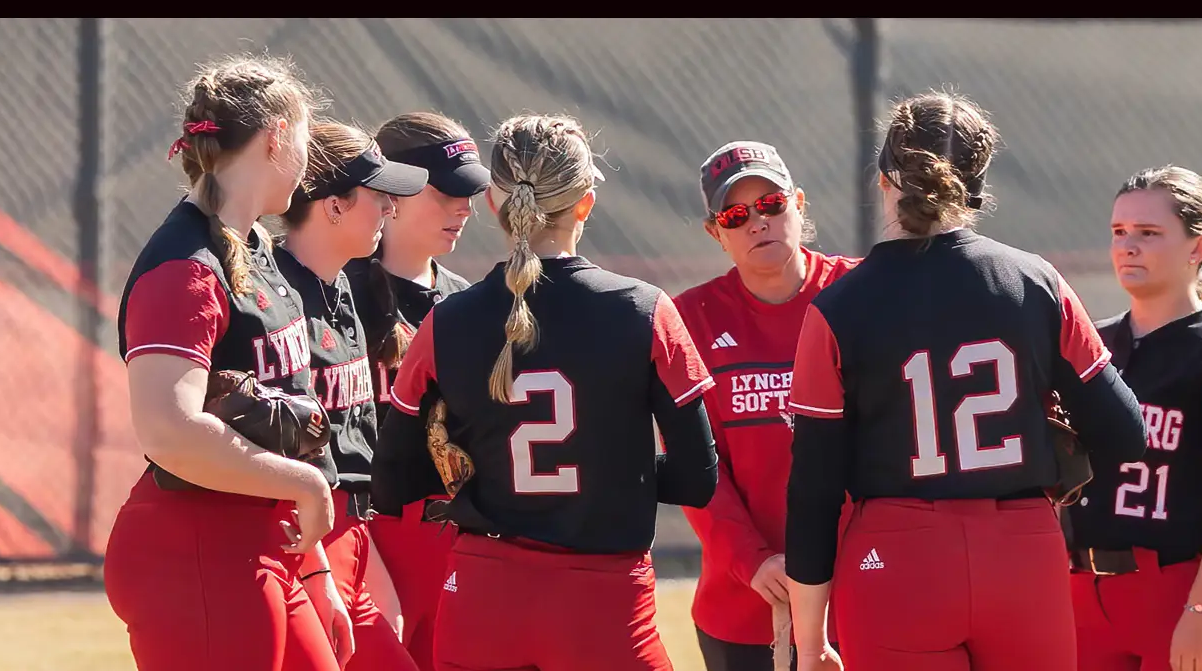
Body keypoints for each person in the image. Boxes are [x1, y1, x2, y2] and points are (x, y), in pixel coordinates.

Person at [784, 89, 1150, 671]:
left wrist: (808, 642)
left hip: (898, 560)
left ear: (884, 177)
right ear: (975, 189)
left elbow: (813, 491)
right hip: (1022, 553)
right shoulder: (1037, 283)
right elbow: (1127, 432)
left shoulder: (836, 309)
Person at [373, 113, 720, 671]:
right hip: (604, 604)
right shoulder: (645, 309)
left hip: (483, 600)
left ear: (493, 203)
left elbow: (391, 479)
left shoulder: (445, 321)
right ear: (585, 203)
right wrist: (607, 474)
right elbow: (700, 479)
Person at [105, 54, 355, 671]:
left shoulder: (254, 246)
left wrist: (315, 564)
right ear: (276, 139)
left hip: (261, 544)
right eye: (302, 138)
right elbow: (168, 431)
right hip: (197, 550)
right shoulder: (186, 265)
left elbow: (279, 421)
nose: (307, 157)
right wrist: (307, 485)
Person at [1068, 165, 1202, 671]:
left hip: (1185, 588)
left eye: (1149, 233)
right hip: (1084, 593)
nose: (1127, 246)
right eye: (1119, 232)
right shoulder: (1093, 343)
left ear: (1197, 248)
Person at [675, 140, 861, 671]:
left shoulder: (859, 292)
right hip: (749, 601)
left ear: (797, 204)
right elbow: (696, 467)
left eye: (772, 204)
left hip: (862, 586)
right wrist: (751, 561)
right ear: (716, 232)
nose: (758, 221)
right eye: (736, 214)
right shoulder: (692, 318)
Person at [274, 120, 431, 671]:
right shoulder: (274, 293)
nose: (390, 209)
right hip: (300, 537)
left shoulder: (343, 283)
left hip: (352, 534)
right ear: (333, 205)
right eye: (379, 196)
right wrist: (320, 570)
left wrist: (368, 562)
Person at [352, 110, 491, 670]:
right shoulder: (341, 292)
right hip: (367, 535)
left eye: (471, 194)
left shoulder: (471, 302)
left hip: (459, 537)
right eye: (447, 193)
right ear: (395, 192)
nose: (464, 208)